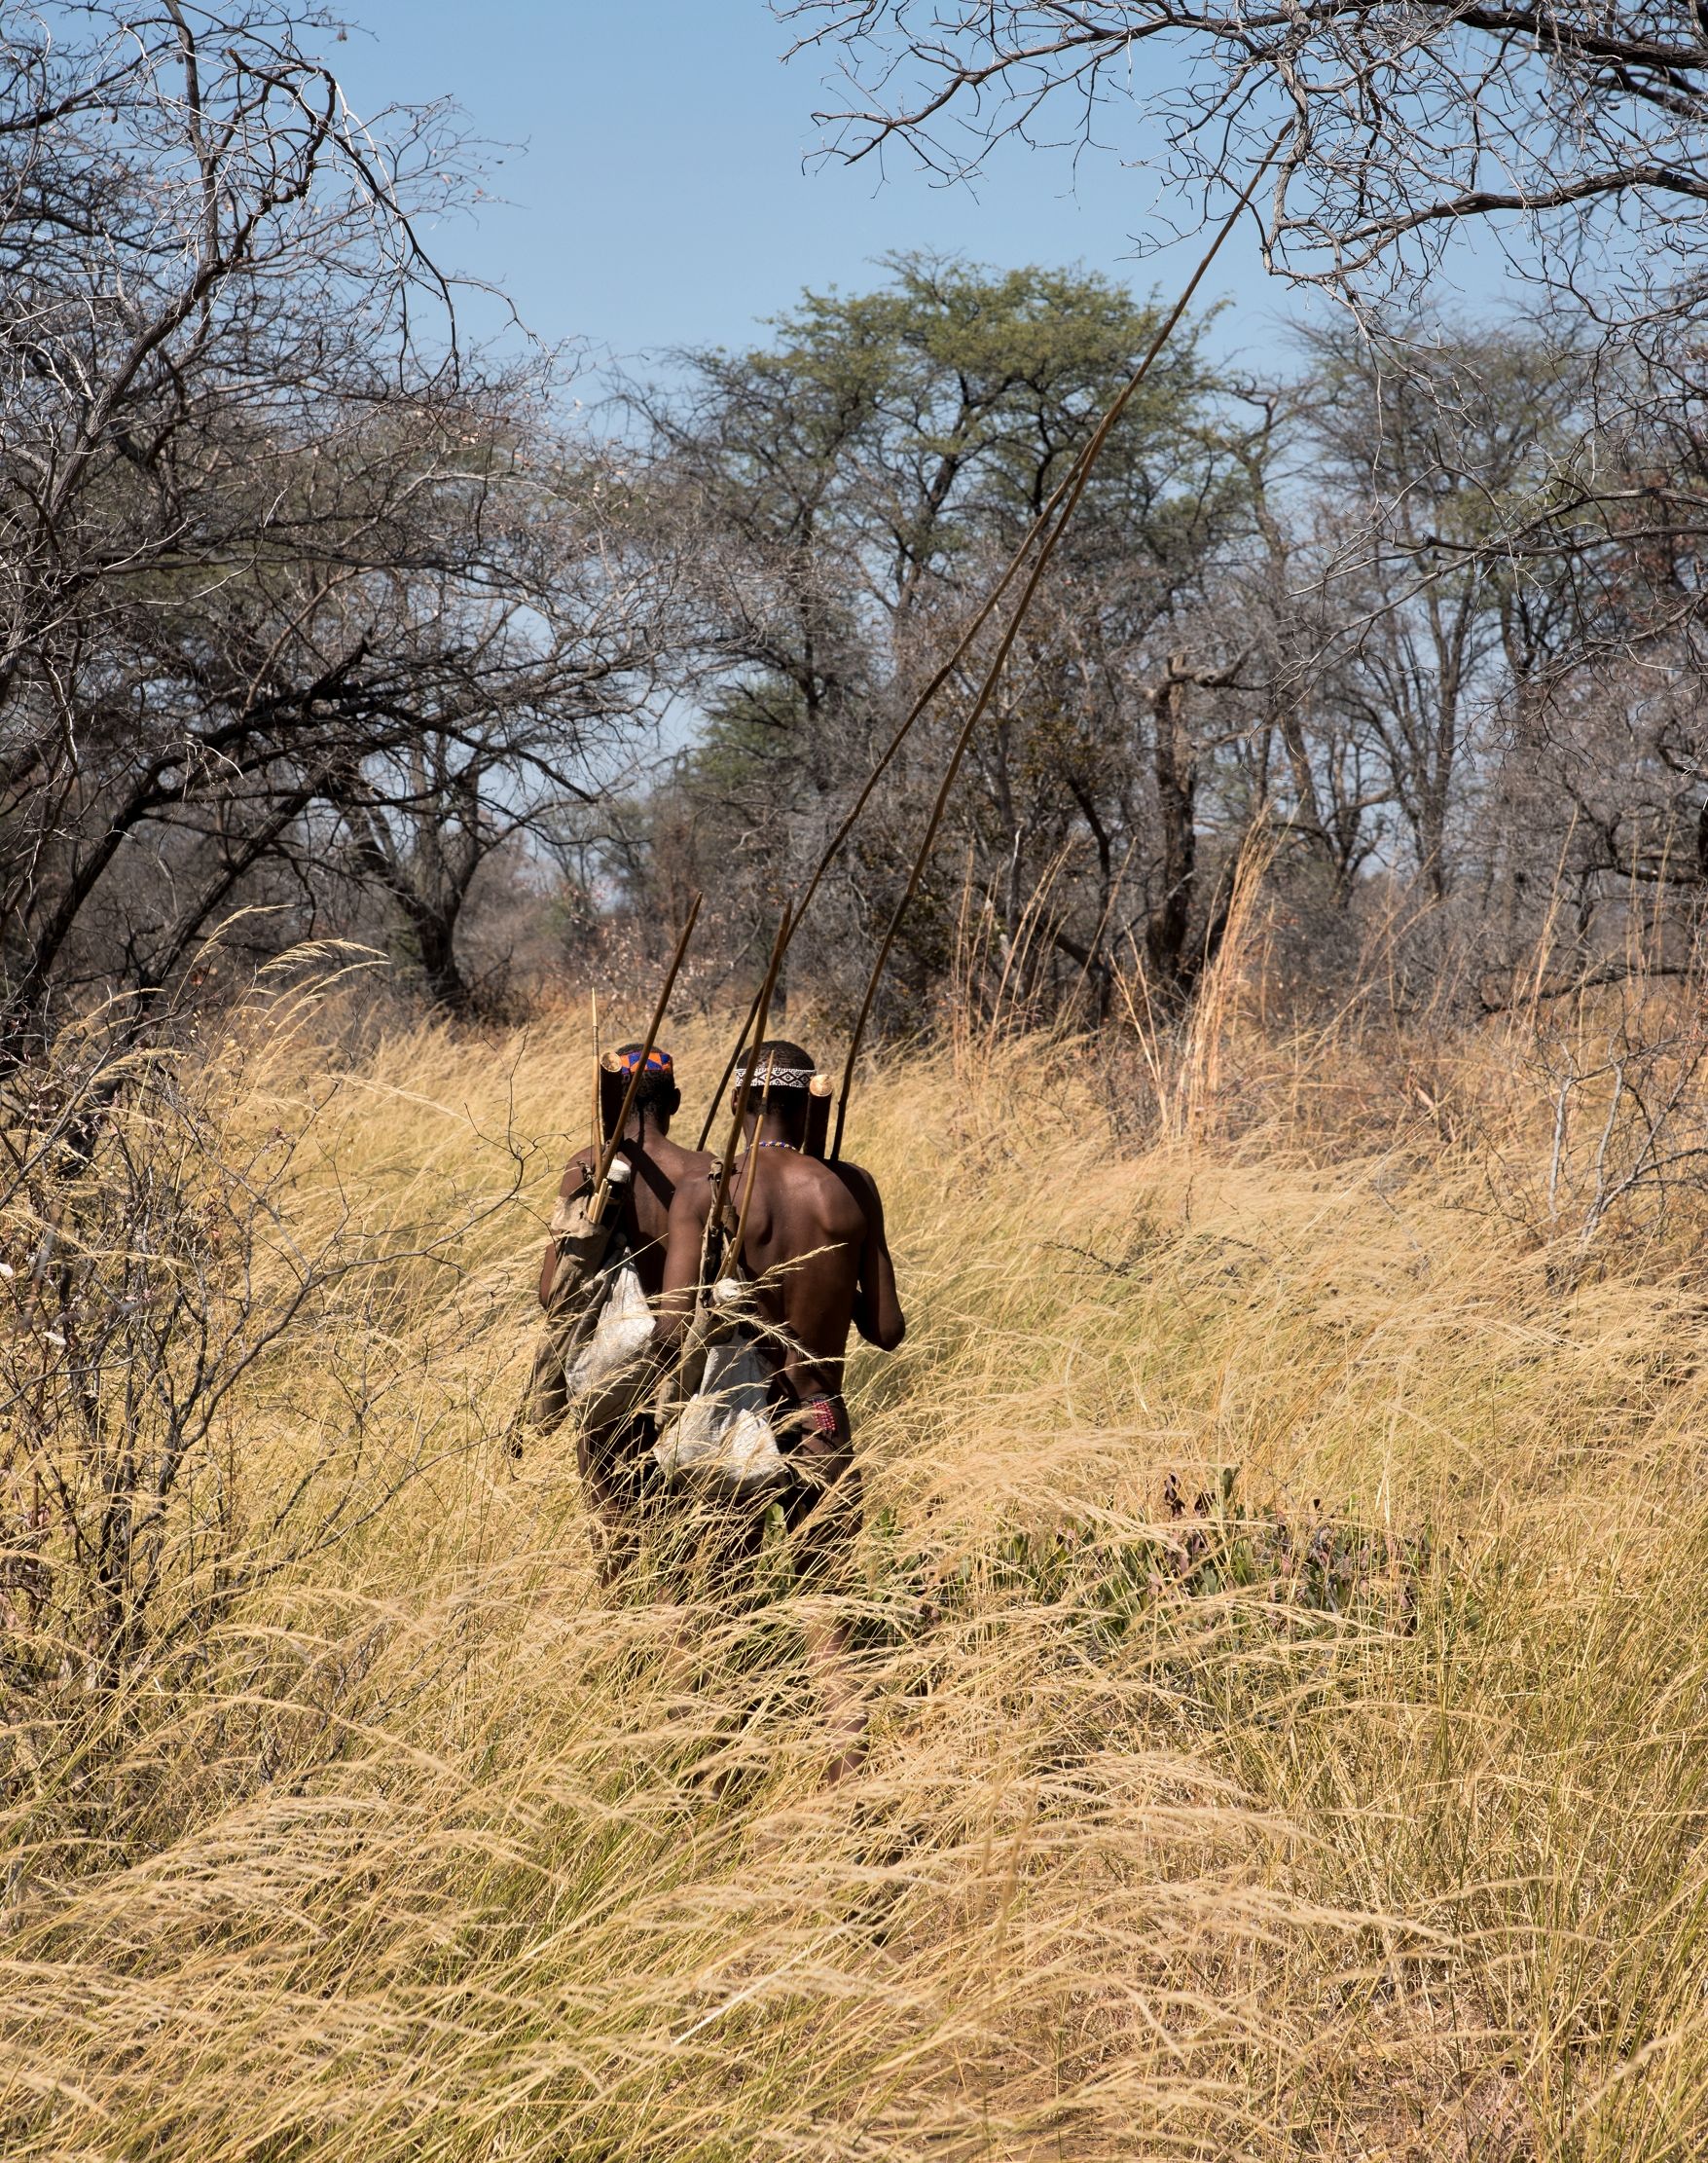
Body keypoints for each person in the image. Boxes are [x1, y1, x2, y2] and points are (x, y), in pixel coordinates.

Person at [657, 1040, 905, 1778]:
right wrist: (834, 1280)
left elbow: (671, 1329)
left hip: (737, 1418)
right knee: (825, 1603)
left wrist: (722, 1288)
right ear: (810, 1105)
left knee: (720, 1596)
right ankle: (845, 1768)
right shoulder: (848, 1189)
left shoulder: (709, 1193)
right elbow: (887, 1331)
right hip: (820, 1415)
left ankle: (723, 1769)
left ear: (738, 1102)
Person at [527, 1044, 711, 1578]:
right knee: (683, 1533)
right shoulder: (707, 1171)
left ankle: (620, 1645)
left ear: (606, 1104)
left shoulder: (591, 1166)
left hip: (610, 1374)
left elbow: (551, 1290)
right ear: (674, 1101)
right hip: (687, 1372)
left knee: (614, 1532)